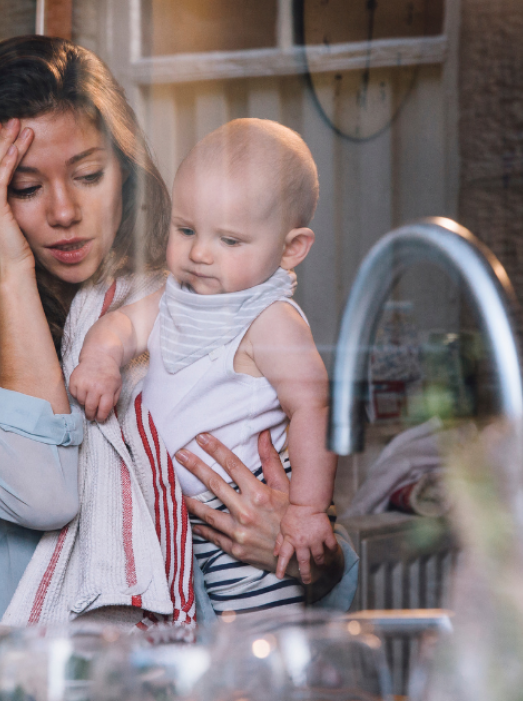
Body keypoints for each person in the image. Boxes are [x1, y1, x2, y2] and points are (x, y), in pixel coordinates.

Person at [0, 35, 356, 624]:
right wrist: (12, 270)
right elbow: (42, 493)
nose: (64, 212)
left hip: (210, 654)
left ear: (124, 175)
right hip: (41, 666)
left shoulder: (182, 301)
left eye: (88, 175)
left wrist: (308, 555)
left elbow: (323, 549)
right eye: (25, 188)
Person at [69, 119, 337, 615]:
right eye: (186, 230)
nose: (198, 253)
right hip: (181, 522)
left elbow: (314, 408)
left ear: (290, 248)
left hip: (244, 515)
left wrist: (305, 509)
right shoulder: (174, 298)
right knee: (195, 637)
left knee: (257, 636)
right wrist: (101, 360)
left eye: (230, 241)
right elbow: (121, 325)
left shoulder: (269, 319)